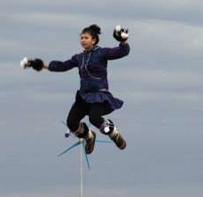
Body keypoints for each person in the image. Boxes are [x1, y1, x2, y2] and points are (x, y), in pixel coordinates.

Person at [21, 24, 130, 154]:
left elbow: (122, 52)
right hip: (83, 97)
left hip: (98, 96)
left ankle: (114, 134)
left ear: (93, 40)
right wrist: (40, 65)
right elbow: (62, 66)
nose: (83, 40)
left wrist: (123, 40)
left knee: (94, 118)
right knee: (71, 123)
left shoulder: (101, 53)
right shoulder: (79, 58)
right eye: (81, 38)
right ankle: (89, 136)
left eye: (86, 37)